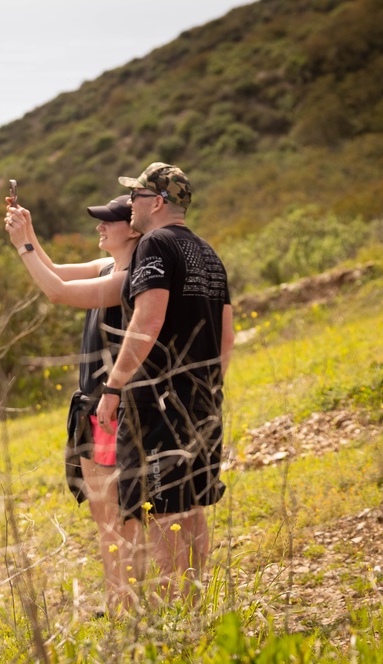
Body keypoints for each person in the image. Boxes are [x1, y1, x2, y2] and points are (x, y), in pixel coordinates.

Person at [95, 162, 234, 604]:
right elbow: (226, 334)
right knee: (191, 507)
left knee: (162, 510)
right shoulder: (207, 252)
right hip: (202, 400)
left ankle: (176, 614)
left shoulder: (154, 244)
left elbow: (147, 320)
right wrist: (207, 385)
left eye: (136, 196)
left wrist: (114, 386)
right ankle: (193, 604)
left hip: (158, 402)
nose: (131, 204)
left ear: (156, 203)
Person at [3, 193, 141, 613]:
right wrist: (25, 233)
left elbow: (58, 292)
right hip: (92, 409)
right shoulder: (106, 266)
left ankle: (129, 602)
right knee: (105, 516)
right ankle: (120, 598)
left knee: (119, 515)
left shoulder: (132, 277)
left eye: (107, 222)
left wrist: (24, 247)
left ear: (132, 229)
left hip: (109, 410)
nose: (98, 227)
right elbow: (56, 270)